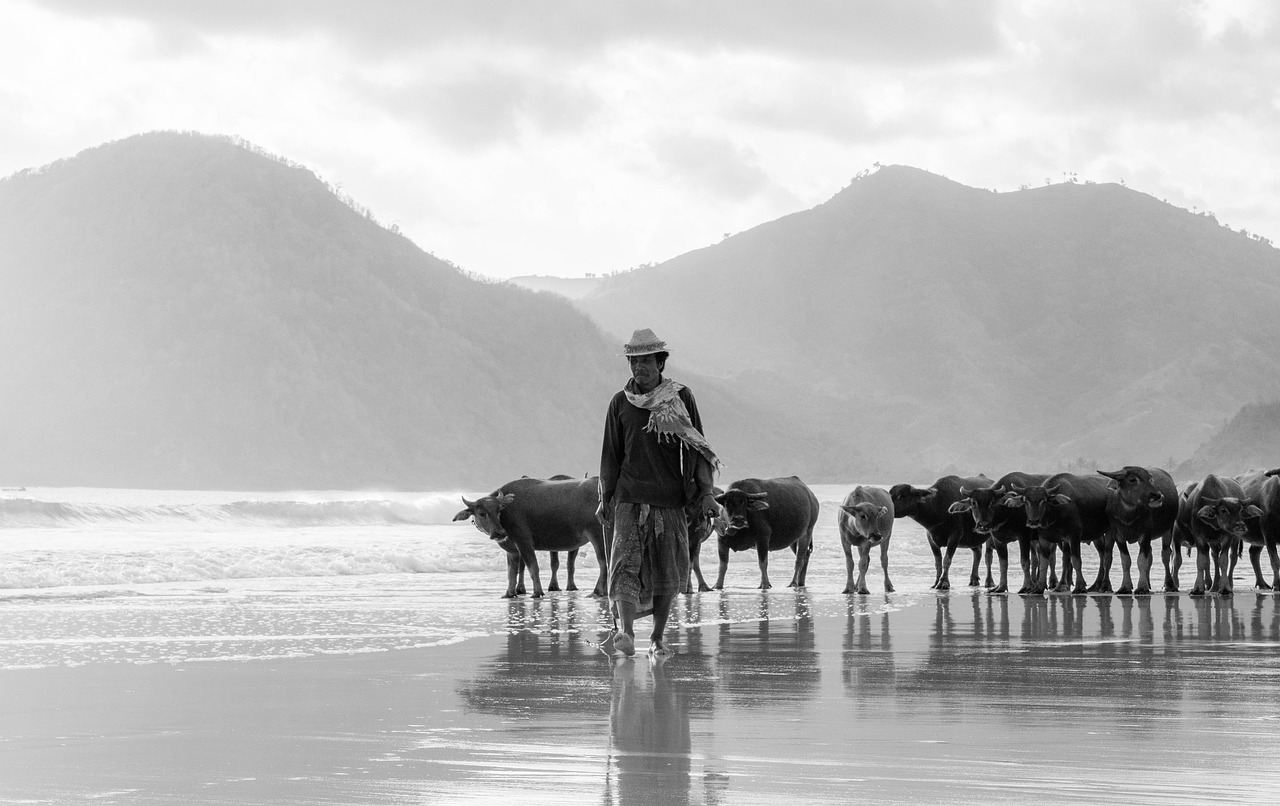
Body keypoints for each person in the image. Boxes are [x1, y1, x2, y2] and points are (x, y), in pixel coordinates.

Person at [599, 328, 719, 657]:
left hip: (670, 499)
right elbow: (611, 456)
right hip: (629, 496)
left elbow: (699, 448)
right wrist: (603, 498)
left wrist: (706, 491)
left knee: (670, 570)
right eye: (634, 361)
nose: (639, 367)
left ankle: (657, 637)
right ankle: (625, 632)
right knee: (624, 564)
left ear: (660, 362)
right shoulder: (620, 403)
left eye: (646, 360)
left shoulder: (681, 397)